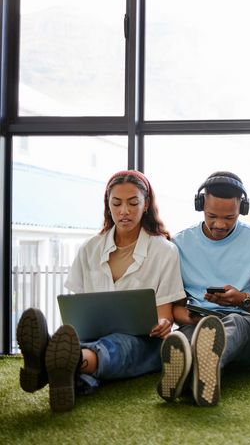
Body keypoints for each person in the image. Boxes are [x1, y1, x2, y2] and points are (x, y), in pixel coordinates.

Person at [16, 170, 185, 412]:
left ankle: (49, 364)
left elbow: (165, 313)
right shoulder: (90, 248)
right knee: (83, 340)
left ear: (146, 204)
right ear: (108, 205)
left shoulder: (165, 251)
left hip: (143, 340)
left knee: (118, 346)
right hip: (91, 335)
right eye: (116, 203)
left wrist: (162, 323)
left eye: (133, 203)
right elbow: (79, 308)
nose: (124, 211)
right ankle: (69, 367)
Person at [158, 172, 250, 406]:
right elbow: (174, 306)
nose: (219, 224)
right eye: (211, 215)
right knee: (186, 336)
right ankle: (197, 373)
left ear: (242, 209)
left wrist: (240, 300)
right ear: (200, 205)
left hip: (248, 324)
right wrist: (188, 317)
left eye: (229, 217)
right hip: (199, 322)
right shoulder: (179, 244)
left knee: (234, 324)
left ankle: (198, 364)